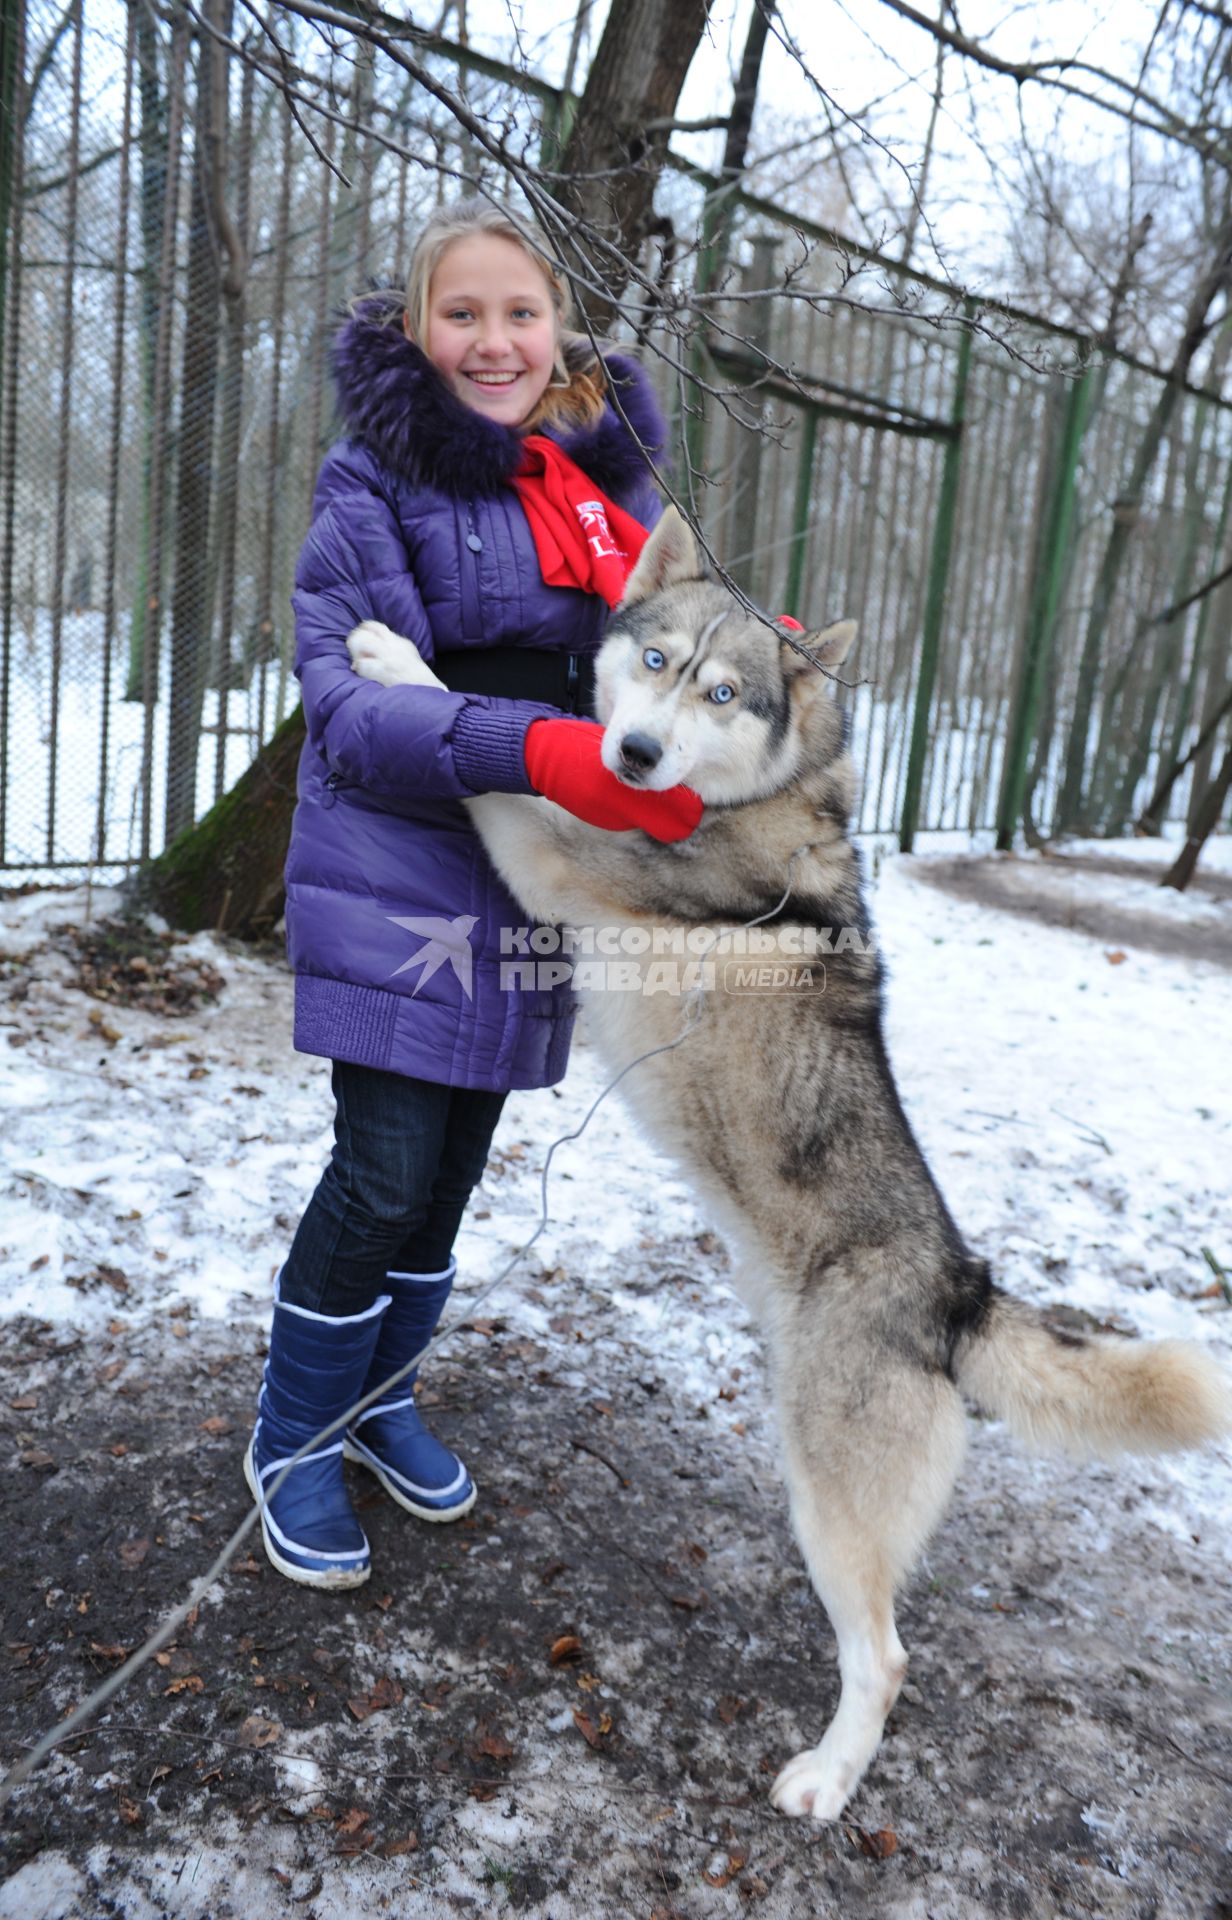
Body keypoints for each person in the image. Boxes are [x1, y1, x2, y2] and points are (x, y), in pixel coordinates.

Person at [246, 197, 701, 1589]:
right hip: (399, 864)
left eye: (521, 312)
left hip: (539, 872)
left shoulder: (600, 483)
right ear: (414, 328)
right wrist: (540, 742)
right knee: (381, 1167)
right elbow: (347, 709)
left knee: (447, 1177)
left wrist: (714, 701)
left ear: (558, 325)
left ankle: (381, 1399)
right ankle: (294, 1434)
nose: (495, 340)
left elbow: (662, 648)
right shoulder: (368, 480)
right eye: (463, 313)